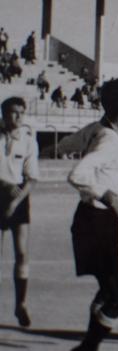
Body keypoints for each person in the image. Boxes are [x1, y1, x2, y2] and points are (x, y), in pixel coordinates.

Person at [64, 78, 118, 351]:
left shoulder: (100, 130)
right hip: (98, 221)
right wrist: (110, 198)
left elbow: (69, 143)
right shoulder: (108, 140)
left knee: (108, 291)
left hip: (89, 219)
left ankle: (88, 345)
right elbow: (77, 173)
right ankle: (87, 347)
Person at [0, 97, 39, 328]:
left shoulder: (28, 141)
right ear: (4, 114)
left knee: (22, 253)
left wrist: (15, 202)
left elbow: (32, 179)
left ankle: (20, 304)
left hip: (18, 198)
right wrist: (4, 185)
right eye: (13, 113)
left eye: (21, 113)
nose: (18, 117)